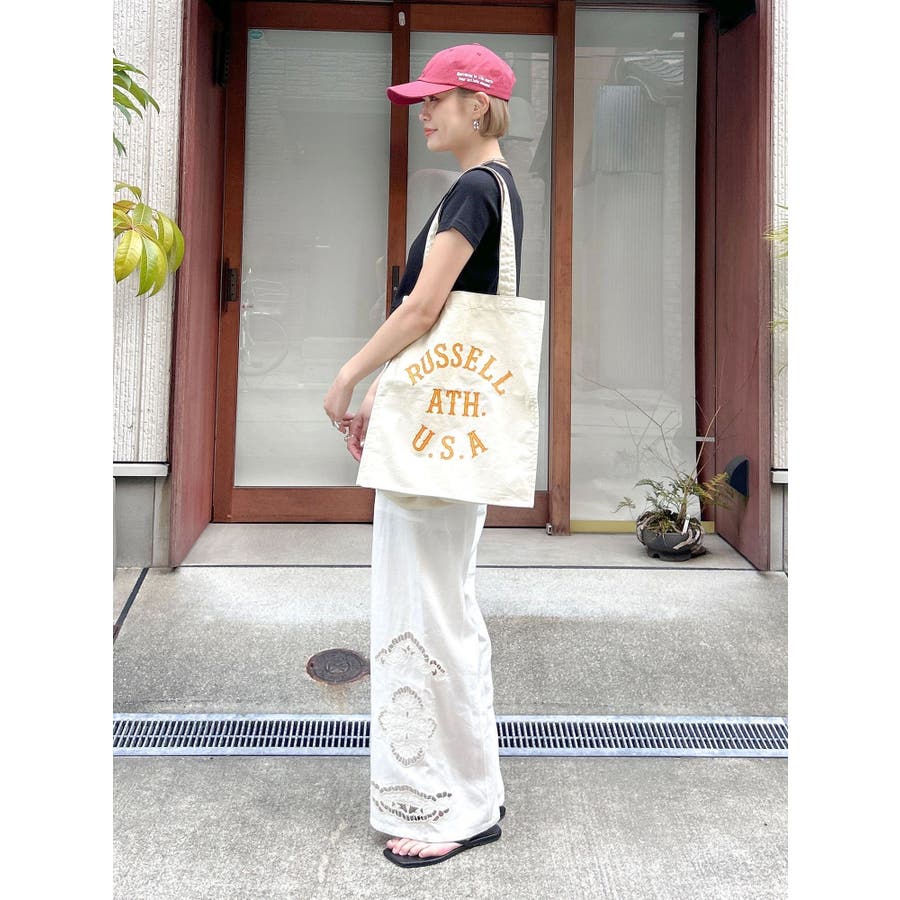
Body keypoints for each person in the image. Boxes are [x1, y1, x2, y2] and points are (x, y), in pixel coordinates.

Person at [323, 43, 524, 867]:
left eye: (436, 99)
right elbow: (443, 322)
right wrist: (386, 391)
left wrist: (348, 376)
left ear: (478, 105)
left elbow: (422, 309)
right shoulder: (495, 188)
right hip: (442, 428)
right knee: (445, 608)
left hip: (434, 445)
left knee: (431, 613)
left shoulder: (474, 189)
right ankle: (470, 789)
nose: (425, 113)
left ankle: (456, 808)